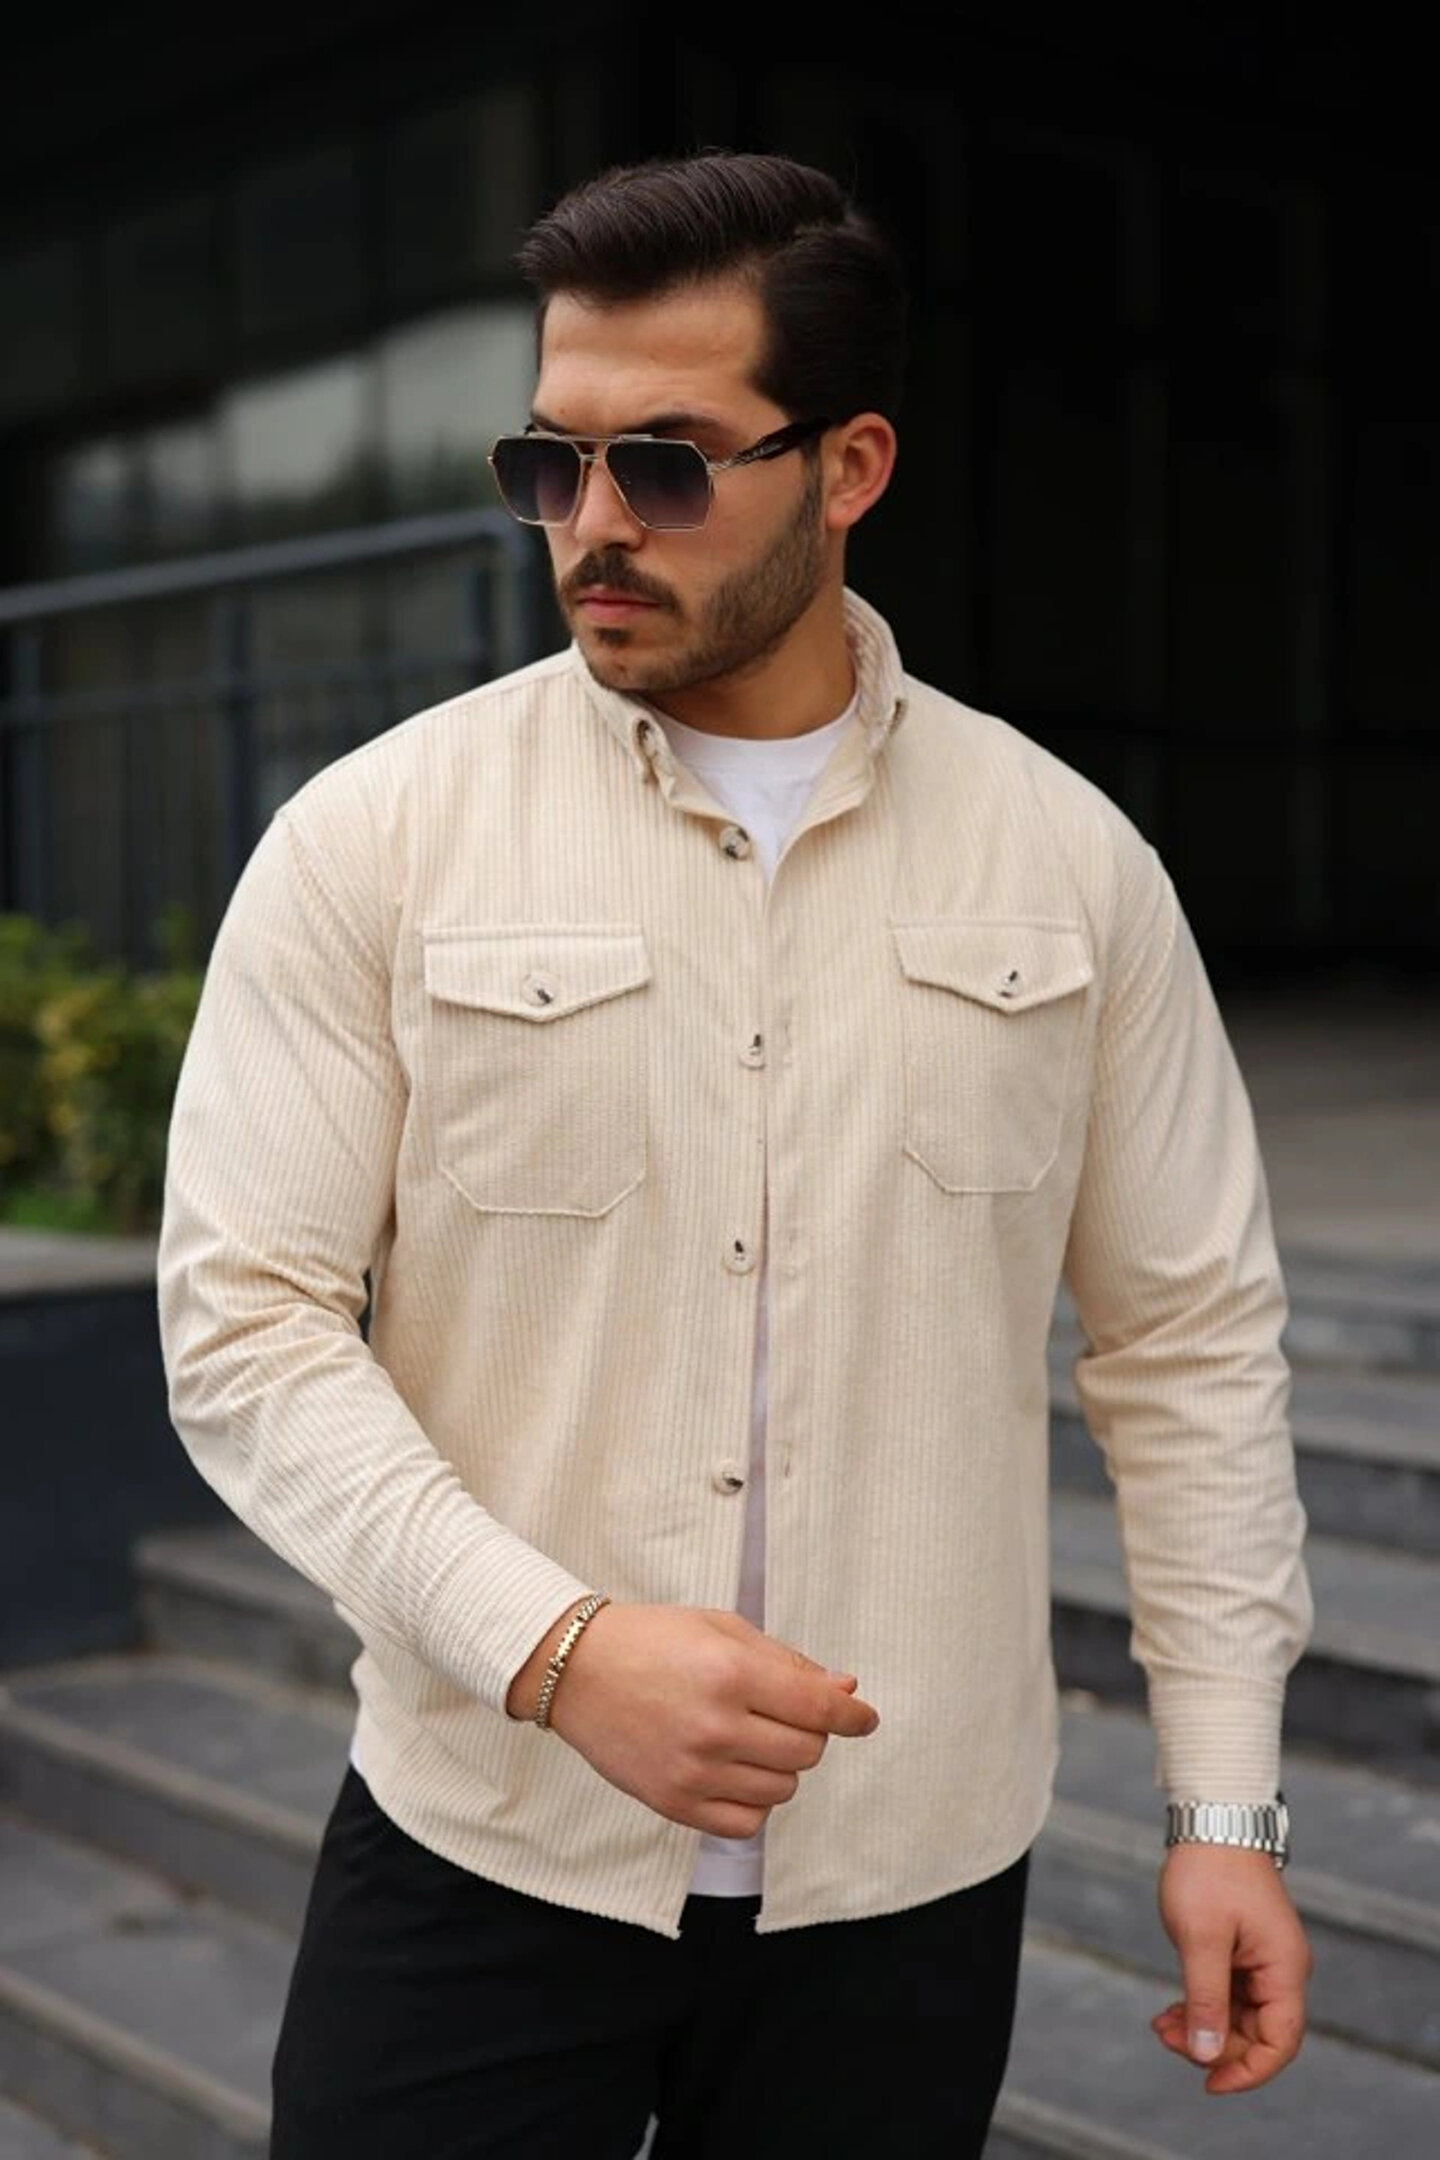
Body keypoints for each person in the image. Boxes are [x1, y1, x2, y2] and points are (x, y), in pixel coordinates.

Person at [156, 150, 1315, 2160]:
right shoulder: (375, 840)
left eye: (668, 466)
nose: (594, 525)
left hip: (907, 1885)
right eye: (552, 463)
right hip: (486, 1844)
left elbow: (1190, 1347)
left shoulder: (1072, 863)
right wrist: (557, 1651)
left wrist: (1225, 1808)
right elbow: (246, 1327)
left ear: (849, 467)